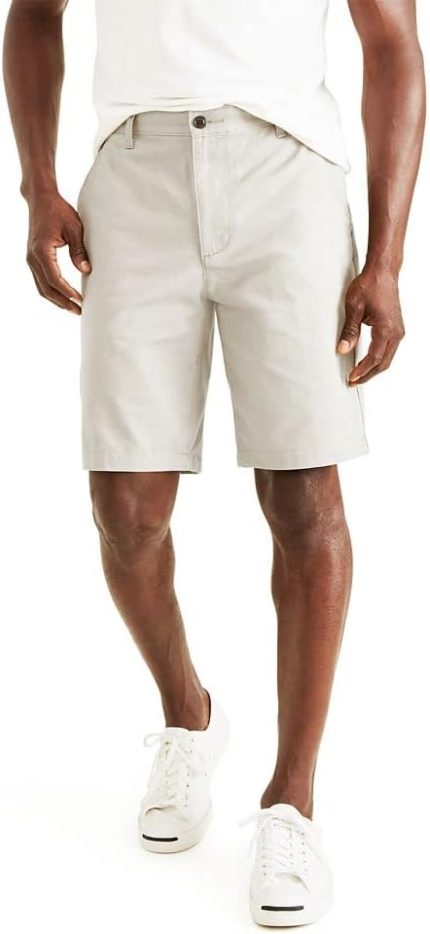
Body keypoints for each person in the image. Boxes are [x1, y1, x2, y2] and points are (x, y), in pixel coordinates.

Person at [3, 0, 424, 926]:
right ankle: (188, 714)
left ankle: (291, 801)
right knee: (126, 505)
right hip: (134, 172)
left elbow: (393, 46)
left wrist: (388, 257)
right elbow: (34, 14)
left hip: (288, 169)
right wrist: (38, 185)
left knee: (304, 492)